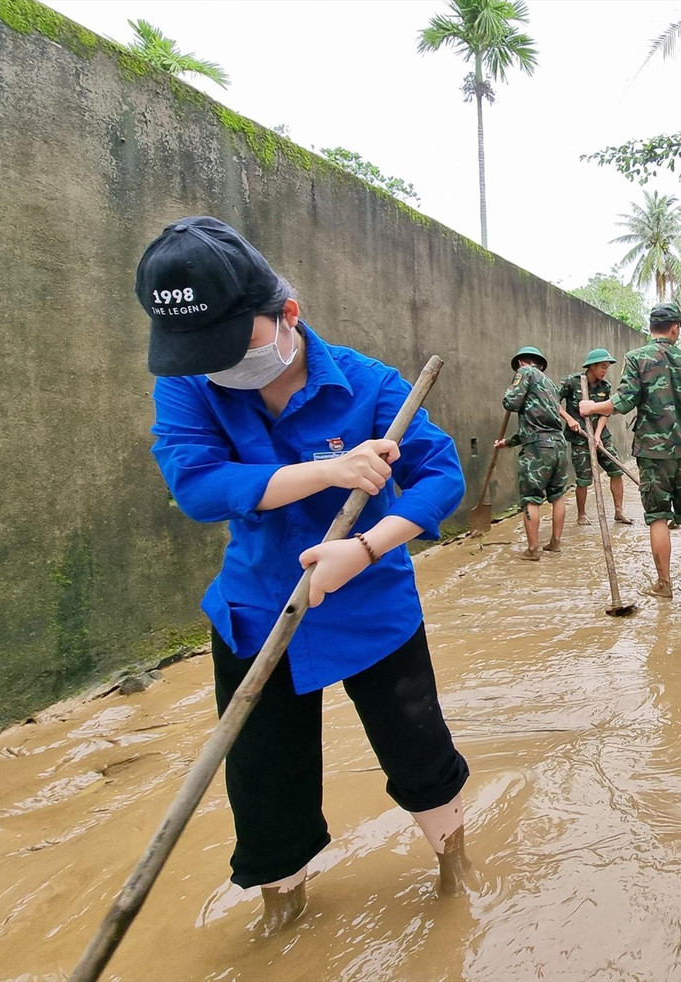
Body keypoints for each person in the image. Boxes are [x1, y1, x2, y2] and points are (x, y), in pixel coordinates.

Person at [137, 217, 470, 937]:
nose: (217, 365)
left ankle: (455, 873)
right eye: (200, 352)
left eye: (234, 342)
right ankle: (282, 915)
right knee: (263, 789)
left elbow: (440, 476)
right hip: (257, 614)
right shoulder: (189, 387)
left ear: (288, 314)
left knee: (421, 756)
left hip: (372, 607)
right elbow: (196, 487)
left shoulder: (371, 384)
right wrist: (328, 470)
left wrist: (368, 547)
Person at [579, 302, 681, 597]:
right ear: (675, 328)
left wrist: (591, 406)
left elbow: (624, 401)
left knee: (658, 517)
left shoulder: (637, 358)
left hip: (653, 454)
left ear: (651, 328)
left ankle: (664, 584)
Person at [496, 346, 569, 560]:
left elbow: (511, 402)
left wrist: (510, 391)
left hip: (538, 448)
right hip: (558, 443)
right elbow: (536, 424)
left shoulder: (525, 372)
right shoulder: (550, 384)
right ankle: (555, 542)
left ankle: (533, 549)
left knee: (531, 497)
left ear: (521, 362)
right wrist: (507, 443)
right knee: (558, 495)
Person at [557, 348, 633, 526]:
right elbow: (553, 401)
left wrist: (598, 435)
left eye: (607, 367)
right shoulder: (572, 382)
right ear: (591, 366)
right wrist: (569, 419)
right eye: (602, 367)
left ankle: (619, 512)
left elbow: (605, 413)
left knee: (616, 470)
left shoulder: (604, 386)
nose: (605, 371)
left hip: (601, 437)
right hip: (579, 437)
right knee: (584, 479)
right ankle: (582, 514)